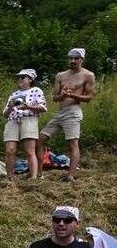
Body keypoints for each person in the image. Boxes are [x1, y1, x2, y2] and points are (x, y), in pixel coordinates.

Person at [38, 48, 96, 183]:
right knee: (40, 139)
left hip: (73, 112)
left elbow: (88, 98)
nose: (72, 61)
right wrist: (62, 95)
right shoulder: (61, 75)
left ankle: (70, 176)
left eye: (76, 58)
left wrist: (72, 95)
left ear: (82, 59)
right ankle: (39, 173)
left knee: (72, 143)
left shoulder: (88, 75)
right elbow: (55, 97)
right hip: (60, 112)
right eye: (70, 58)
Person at [3, 69, 48, 180]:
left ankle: (33, 178)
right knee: (10, 150)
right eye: (19, 77)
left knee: (29, 151)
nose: (20, 79)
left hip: (29, 119)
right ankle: (10, 177)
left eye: (23, 77)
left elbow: (43, 108)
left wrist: (27, 106)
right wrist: (10, 107)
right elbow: (4, 114)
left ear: (31, 79)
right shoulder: (14, 94)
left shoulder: (36, 90)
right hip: (12, 120)